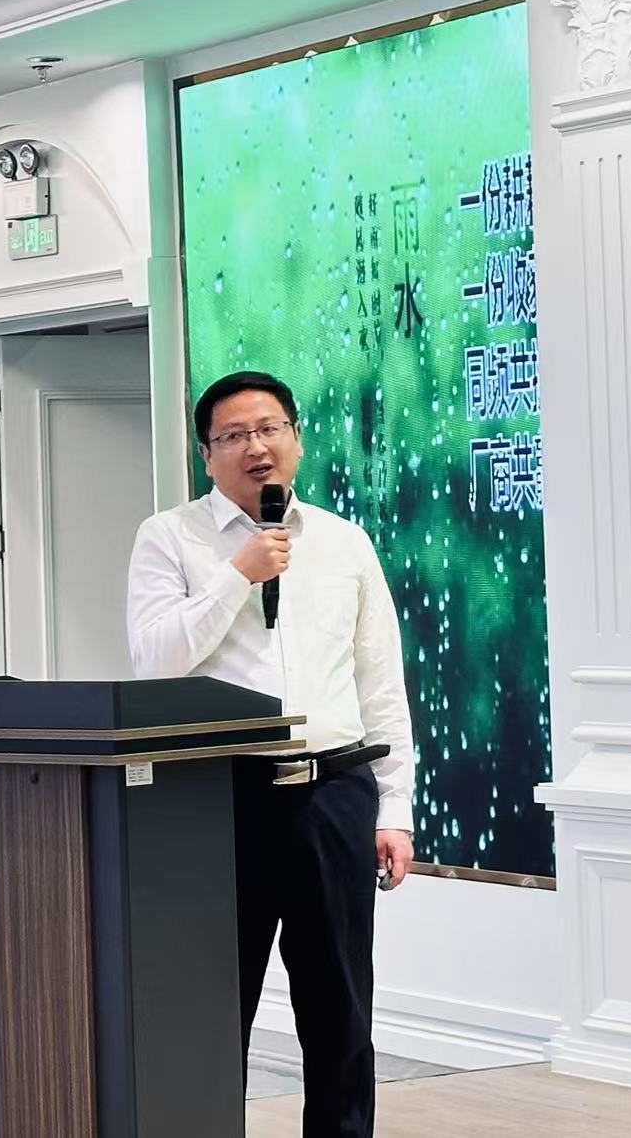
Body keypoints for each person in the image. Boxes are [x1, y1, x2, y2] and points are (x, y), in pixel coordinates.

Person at [125, 370, 415, 1138]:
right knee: (213, 1008)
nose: (256, 447)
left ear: (296, 439)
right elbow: (155, 659)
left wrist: (396, 808)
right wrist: (237, 575)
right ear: (206, 454)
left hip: (334, 790)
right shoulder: (170, 538)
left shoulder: (345, 542)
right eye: (234, 436)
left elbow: (379, 682)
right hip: (219, 799)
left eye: (269, 429)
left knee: (340, 1010)